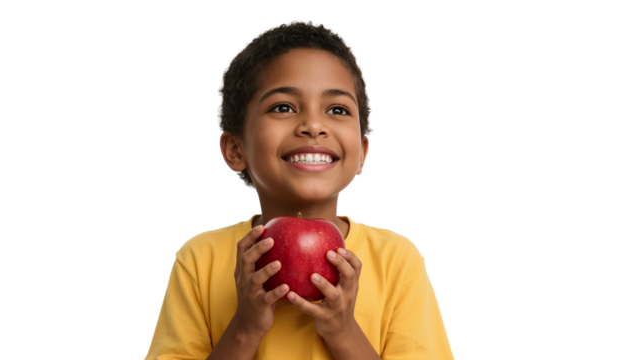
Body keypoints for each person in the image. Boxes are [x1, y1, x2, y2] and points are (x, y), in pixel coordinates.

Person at [143, 18, 456, 360]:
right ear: (235, 150)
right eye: (283, 107)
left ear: (364, 153)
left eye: (337, 109)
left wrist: (344, 333)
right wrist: (245, 328)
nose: (313, 125)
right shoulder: (198, 260)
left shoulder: (398, 261)